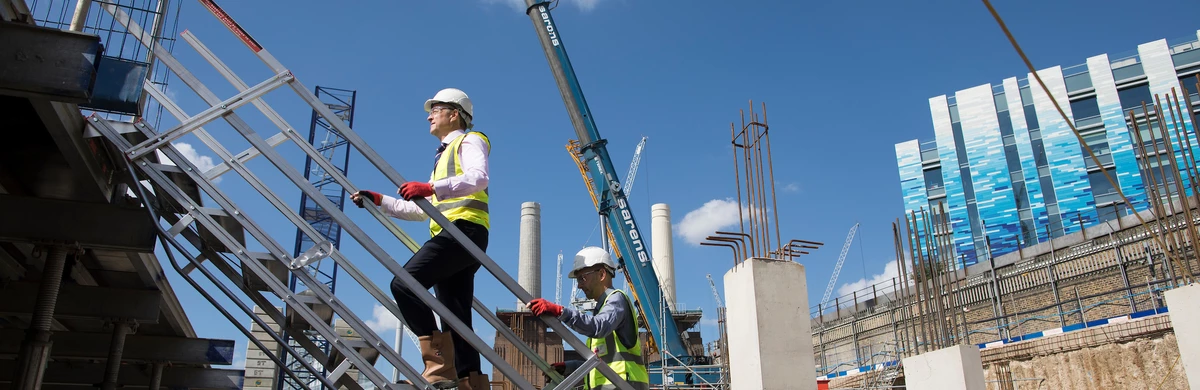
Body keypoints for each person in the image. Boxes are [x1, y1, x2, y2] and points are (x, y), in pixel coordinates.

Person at [351, 88, 490, 390]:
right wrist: (379, 200)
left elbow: (479, 177)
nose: (429, 115)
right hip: (455, 233)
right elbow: (418, 211)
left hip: (463, 231)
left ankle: (439, 365)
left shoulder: (470, 140)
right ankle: (471, 383)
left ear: (454, 114)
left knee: (405, 283)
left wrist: (431, 188)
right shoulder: (441, 162)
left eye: (436, 109)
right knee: (456, 316)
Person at [528, 247, 650, 390]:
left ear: (602, 274)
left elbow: (598, 327)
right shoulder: (602, 310)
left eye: (582, 278)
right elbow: (600, 365)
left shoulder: (617, 300)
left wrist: (560, 311)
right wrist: (569, 367)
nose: (579, 285)